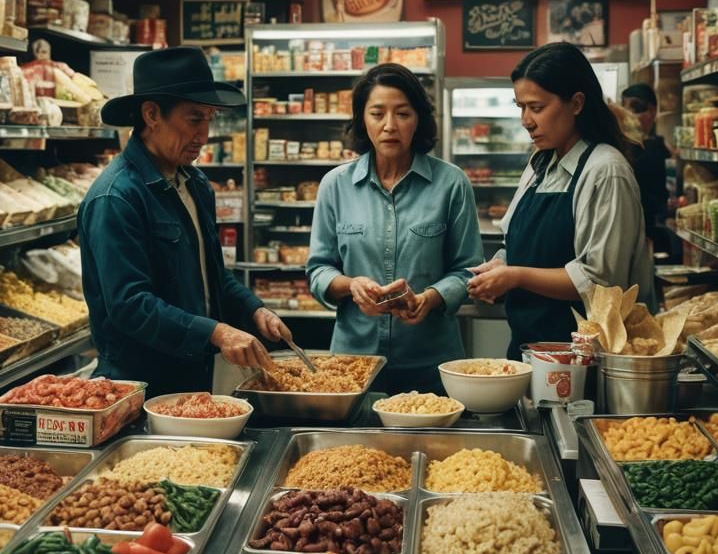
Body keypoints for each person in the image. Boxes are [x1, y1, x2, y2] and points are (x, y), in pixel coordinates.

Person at [78, 47, 289, 393]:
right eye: (194, 119)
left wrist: (255, 310)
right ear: (151, 114)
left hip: (197, 376)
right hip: (141, 387)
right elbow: (130, 305)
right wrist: (217, 332)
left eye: (210, 119)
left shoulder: (194, 183)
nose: (204, 135)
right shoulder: (116, 197)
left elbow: (212, 274)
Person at [467, 43, 654, 357]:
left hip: (585, 358)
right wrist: (499, 265)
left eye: (536, 107)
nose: (526, 120)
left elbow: (600, 281)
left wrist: (514, 276)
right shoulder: (540, 164)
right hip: (531, 349)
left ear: (576, 103)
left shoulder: (605, 171)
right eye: (520, 107)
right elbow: (516, 245)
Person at [306, 63, 483, 395]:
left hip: (432, 364)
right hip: (353, 365)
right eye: (377, 114)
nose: (390, 126)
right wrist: (350, 285)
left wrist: (430, 298)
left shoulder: (451, 183)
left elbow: (468, 270)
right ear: (362, 120)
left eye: (402, 113)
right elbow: (318, 270)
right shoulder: (336, 185)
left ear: (418, 119)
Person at [621, 82, 672, 253]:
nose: (629, 114)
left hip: (652, 234)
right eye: (624, 107)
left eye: (636, 107)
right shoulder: (621, 149)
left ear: (652, 111)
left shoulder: (656, 148)